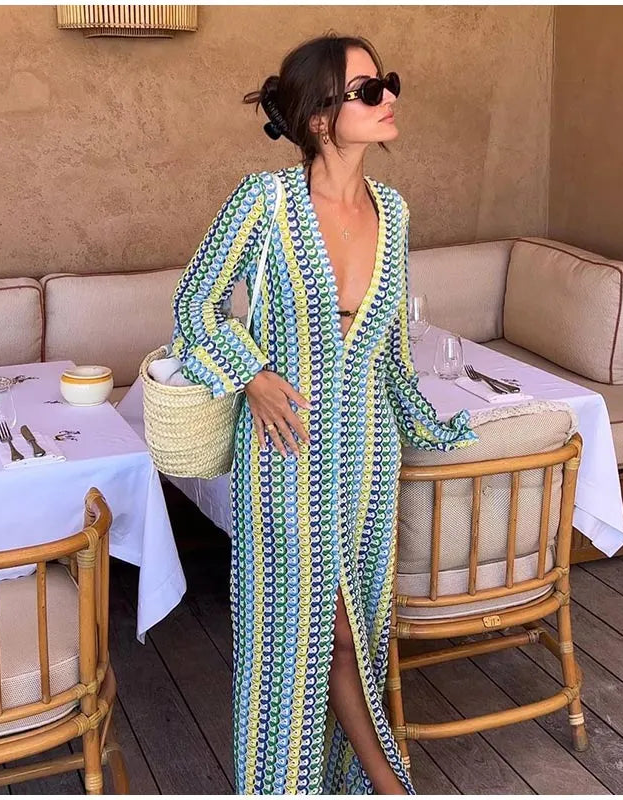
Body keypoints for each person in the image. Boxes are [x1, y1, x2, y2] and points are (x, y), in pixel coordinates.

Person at [170, 32, 477, 795]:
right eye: (369, 90)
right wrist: (252, 376)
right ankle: (380, 785)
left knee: (355, 631)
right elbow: (194, 306)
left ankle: (351, 785)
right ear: (319, 117)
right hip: (284, 451)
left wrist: (430, 425)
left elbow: (392, 349)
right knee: (300, 637)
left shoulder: (393, 212)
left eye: (388, 83)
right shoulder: (264, 202)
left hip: (369, 453)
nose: (388, 97)